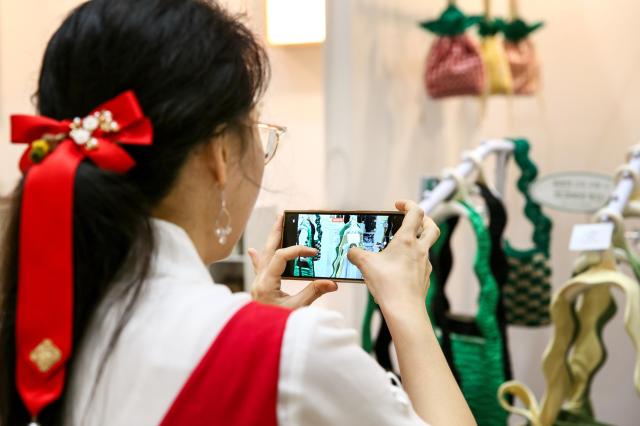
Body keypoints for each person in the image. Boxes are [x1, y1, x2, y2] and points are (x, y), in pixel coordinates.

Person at [0, 1, 476, 425]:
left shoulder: (39, 339)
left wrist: (251, 329)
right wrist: (407, 306)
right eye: (258, 130)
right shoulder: (300, 354)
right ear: (220, 154)